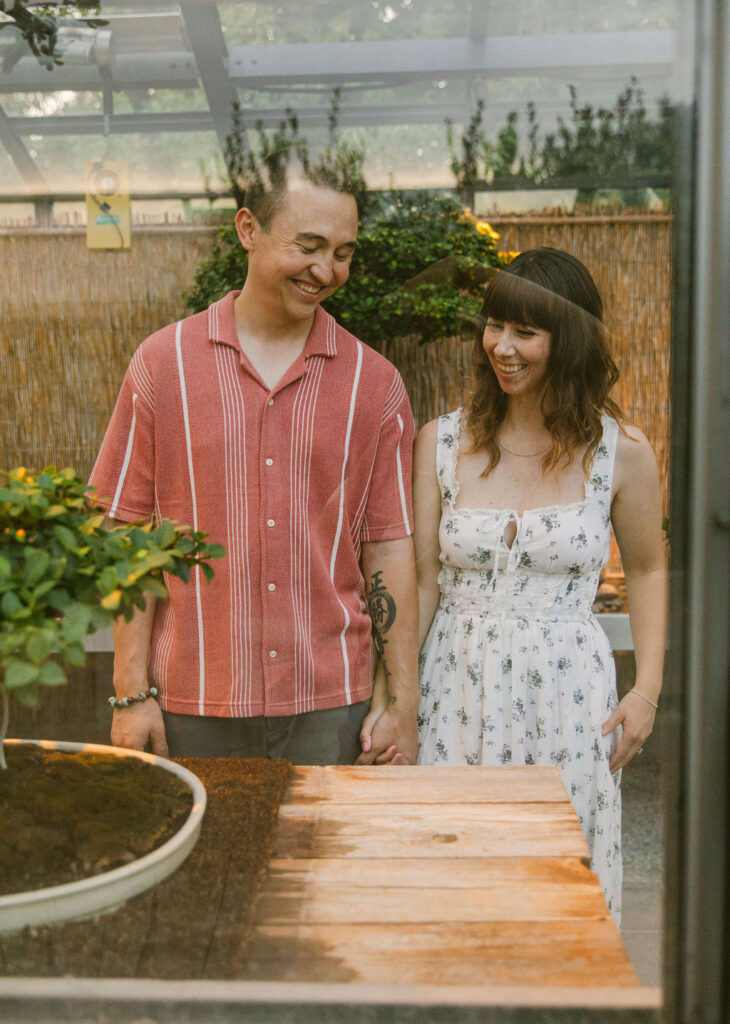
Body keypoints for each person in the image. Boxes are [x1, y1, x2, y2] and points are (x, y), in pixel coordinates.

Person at [89, 167, 419, 767]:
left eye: (343, 253)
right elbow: (126, 538)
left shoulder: (376, 385)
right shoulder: (163, 367)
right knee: (202, 863)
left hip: (332, 708)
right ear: (249, 229)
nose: (328, 270)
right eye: (310, 246)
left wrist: (402, 699)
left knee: (322, 863)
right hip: (193, 701)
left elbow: (389, 547)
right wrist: (130, 694)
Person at [411, 248, 667, 920]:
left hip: (566, 699)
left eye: (526, 331)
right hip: (454, 691)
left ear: (569, 340)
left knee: (559, 895)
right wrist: (397, 694)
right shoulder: (439, 442)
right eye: (495, 325)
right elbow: (424, 579)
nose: (503, 347)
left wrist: (646, 690)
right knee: (452, 887)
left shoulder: (621, 452)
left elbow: (647, 566)